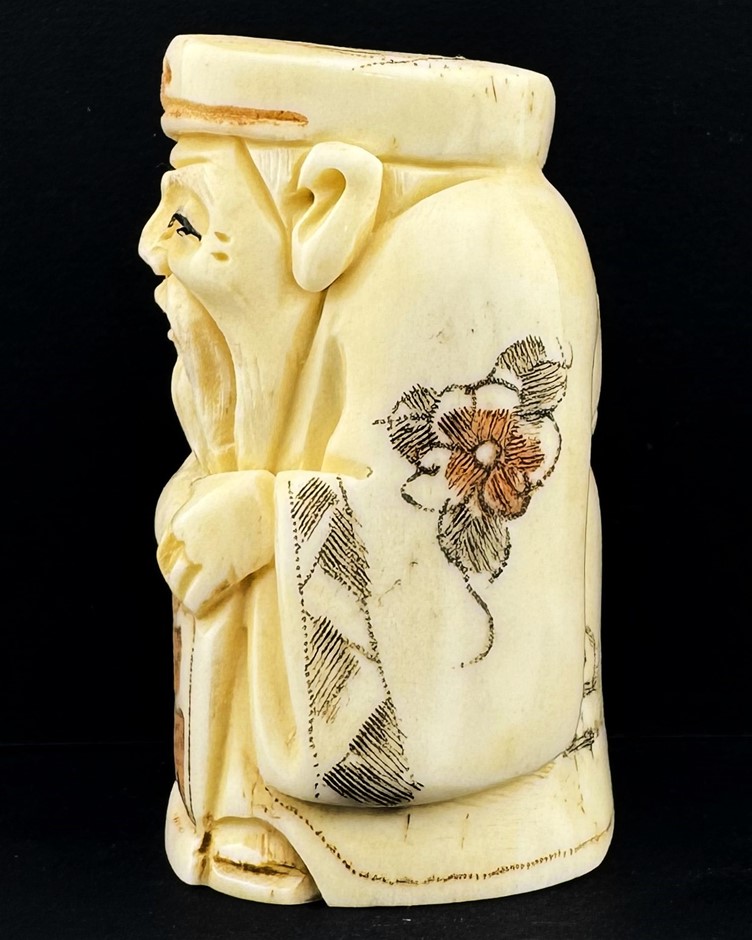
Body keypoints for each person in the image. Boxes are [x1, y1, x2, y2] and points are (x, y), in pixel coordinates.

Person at [140, 35, 611, 905]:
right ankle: (243, 808)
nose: (152, 249)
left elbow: (427, 542)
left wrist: (264, 522)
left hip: (461, 826)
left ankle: (313, 829)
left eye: (189, 221)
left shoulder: (470, 249)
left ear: (326, 201)